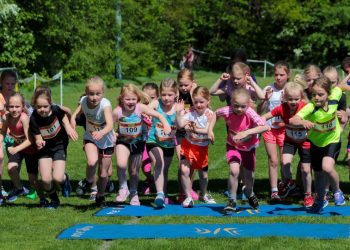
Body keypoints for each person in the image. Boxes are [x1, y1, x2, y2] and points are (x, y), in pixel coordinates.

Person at [290, 76, 346, 213]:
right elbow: (293, 119)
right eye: (314, 94)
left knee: (327, 167)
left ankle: (338, 191)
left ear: (328, 93)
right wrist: (303, 122)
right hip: (315, 143)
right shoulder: (310, 107)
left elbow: (341, 87)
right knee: (319, 175)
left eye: (321, 94)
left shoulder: (335, 96)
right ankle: (321, 200)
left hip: (333, 139)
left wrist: (344, 113)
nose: (317, 98)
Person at [210, 88, 269, 213]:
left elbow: (265, 127)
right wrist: (210, 130)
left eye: (243, 107)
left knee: (249, 177)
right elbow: (215, 113)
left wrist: (247, 132)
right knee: (234, 170)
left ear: (248, 105)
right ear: (231, 102)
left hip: (248, 148)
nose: (239, 109)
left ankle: (249, 192)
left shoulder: (250, 113)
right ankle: (232, 200)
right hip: (233, 146)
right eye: (236, 106)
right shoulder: (228, 111)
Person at [114, 83, 171, 206]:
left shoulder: (140, 108)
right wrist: (112, 133)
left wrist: (165, 124)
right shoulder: (118, 111)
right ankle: (123, 188)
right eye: (127, 99)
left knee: (134, 171)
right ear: (121, 99)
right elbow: (107, 123)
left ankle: (134, 193)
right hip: (122, 142)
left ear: (138, 99)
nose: (130, 102)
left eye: (133, 99)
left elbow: (158, 115)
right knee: (121, 163)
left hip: (137, 143)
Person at [262, 82, 313, 207]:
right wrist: (258, 121)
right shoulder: (281, 108)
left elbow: (313, 119)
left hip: (305, 142)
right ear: (284, 98)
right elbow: (266, 115)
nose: (293, 102)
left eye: (296, 99)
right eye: (290, 99)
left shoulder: (305, 107)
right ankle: (290, 183)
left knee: (306, 170)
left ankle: (308, 195)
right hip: (289, 140)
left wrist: (307, 122)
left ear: (301, 98)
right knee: (285, 163)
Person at [29, 86, 78, 208]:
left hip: (59, 145)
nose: (42, 109)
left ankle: (65, 179)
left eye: (45, 106)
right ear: (34, 105)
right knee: (46, 179)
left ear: (50, 104)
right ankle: (55, 201)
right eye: (39, 107)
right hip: (44, 150)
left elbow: (63, 116)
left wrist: (68, 127)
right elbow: (37, 137)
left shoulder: (56, 110)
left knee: (57, 178)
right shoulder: (33, 118)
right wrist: (39, 142)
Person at [71, 76, 114, 207]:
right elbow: (75, 114)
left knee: (103, 174)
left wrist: (101, 132)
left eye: (98, 94)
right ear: (86, 92)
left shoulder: (105, 105)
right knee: (92, 161)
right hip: (90, 137)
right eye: (91, 94)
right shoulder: (83, 101)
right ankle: (88, 181)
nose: (94, 97)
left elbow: (110, 125)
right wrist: (72, 122)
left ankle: (100, 196)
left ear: (103, 93)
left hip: (106, 140)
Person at [0, 93, 47, 203]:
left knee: (33, 181)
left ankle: (43, 199)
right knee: (11, 167)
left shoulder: (24, 118)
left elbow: (30, 140)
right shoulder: (7, 117)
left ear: (22, 107)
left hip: (30, 150)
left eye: (17, 107)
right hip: (18, 149)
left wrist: (15, 149)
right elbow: (3, 131)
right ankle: (19, 188)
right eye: (11, 107)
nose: (14, 109)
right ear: (7, 107)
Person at [176, 86, 216, 207]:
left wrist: (195, 129)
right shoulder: (190, 112)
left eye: (201, 102)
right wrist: (178, 113)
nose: (198, 105)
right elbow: (180, 125)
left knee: (203, 175)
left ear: (208, 101)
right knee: (184, 170)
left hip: (202, 148)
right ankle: (188, 197)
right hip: (188, 146)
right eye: (196, 102)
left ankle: (203, 194)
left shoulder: (210, 114)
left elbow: (208, 131)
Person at [258, 61, 290, 202]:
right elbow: (259, 111)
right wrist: (266, 99)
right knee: (273, 160)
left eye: (282, 75)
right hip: (269, 129)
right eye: (276, 74)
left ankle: (286, 186)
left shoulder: (290, 89)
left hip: (284, 129)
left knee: (285, 161)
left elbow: (297, 111)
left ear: (288, 75)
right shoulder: (268, 88)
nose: (278, 77)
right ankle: (274, 191)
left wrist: (286, 102)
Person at [146, 78, 178, 208]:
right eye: (163, 94)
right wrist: (147, 115)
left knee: (164, 169)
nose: (166, 98)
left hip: (169, 144)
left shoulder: (178, 107)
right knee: (159, 163)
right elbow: (145, 110)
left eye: (170, 95)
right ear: (160, 94)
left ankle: (162, 195)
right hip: (153, 140)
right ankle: (159, 193)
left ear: (176, 94)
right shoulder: (155, 103)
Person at [176, 69, 199, 202]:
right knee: (182, 163)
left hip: (192, 134)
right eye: (181, 85)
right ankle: (182, 192)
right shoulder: (176, 95)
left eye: (187, 85)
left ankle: (189, 188)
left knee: (191, 163)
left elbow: (203, 107)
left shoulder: (195, 95)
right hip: (179, 134)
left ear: (193, 83)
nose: (184, 88)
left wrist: (192, 92)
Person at [0, 69, 18, 199]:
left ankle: (15, 186)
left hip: (15, 134)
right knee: (0, 158)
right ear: (1, 83)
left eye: (12, 84)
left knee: (14, 162)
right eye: (7, 84)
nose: (10, 86)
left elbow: (26, 109)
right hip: (1, 132)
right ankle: (0, 188)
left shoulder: (16, 97)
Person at [141, 82, 159, 195]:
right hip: (143, 141)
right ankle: (150, 180)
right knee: (146, 167)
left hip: (157, 140)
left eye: (152, 98)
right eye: (145, 98)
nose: (148, 101)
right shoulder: (140, 108)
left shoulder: (160, 108)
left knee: (157, 163)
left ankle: (159, 187)